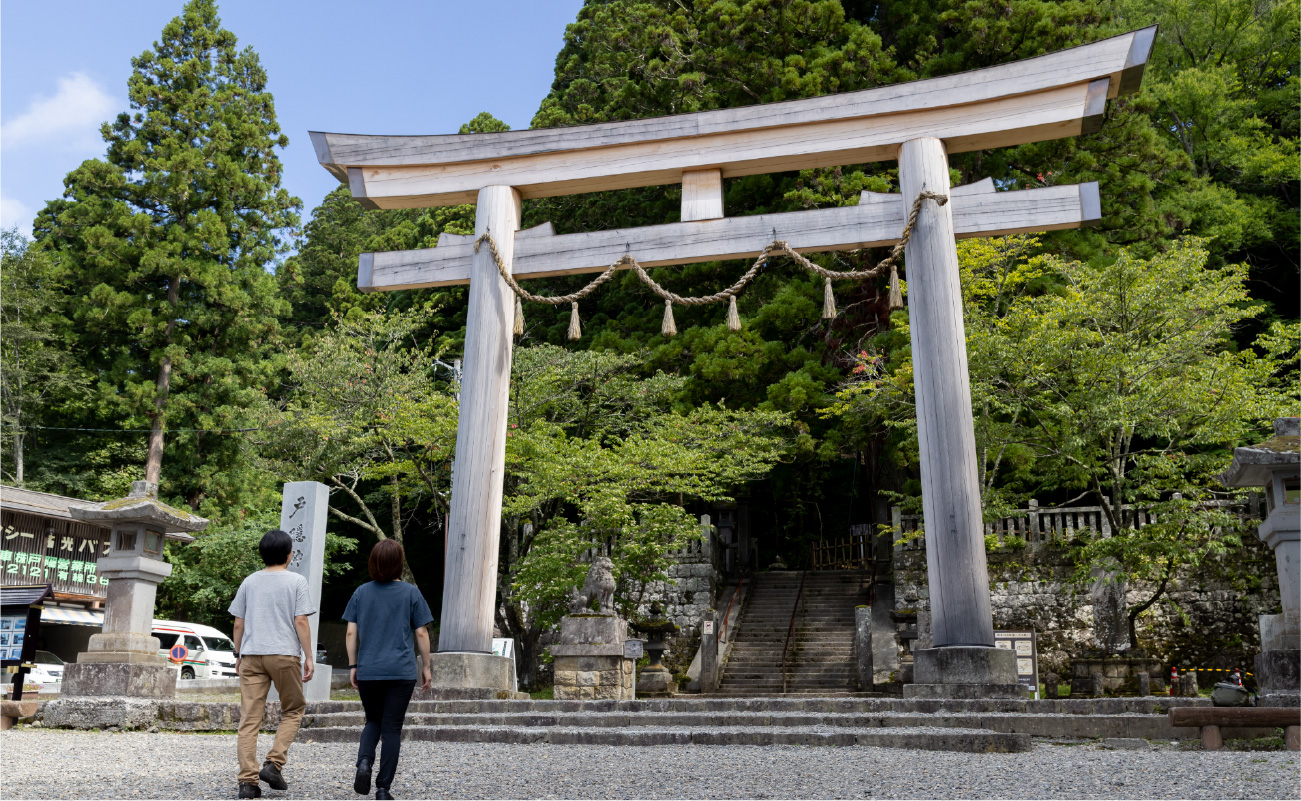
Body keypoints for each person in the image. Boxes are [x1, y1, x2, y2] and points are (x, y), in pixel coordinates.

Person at [229, 529, 316, 799]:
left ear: (262, 554)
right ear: (290, 554)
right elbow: (300, 621)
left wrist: (238, 654)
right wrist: (309, 656)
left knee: (249, 719)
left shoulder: (249, 582)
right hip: (284, 655)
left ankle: (247, 783)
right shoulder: (296, 581)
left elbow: (238, 622)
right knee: (293, 709)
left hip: (252, 655)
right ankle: (274, 764)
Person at [343, 539, 433, 800]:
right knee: (392, 728)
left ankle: (363, 762)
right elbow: (421, 631)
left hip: (369, 670)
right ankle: (383, 789)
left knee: (373, 720)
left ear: (373, 563)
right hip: (401, 671)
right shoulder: (411, 593)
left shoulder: (361, 592)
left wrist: (353, 665)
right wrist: (426, 666)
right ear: (399, 564)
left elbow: (351, 631)